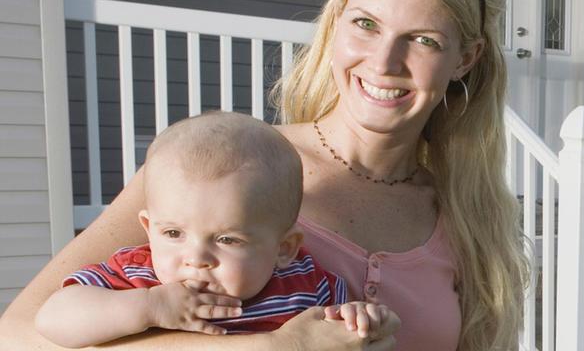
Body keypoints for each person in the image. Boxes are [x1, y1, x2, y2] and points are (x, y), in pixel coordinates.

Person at [0, 0, 526, 349]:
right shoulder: (217, 172)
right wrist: (271, 348)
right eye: (366, 23)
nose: (385, 60)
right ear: (336, 21)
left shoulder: (467, 217)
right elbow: (20, 335)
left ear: (466, 58)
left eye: (424, 40)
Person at [34, 112, 395, 348]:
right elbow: (52, 319)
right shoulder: (137, 277)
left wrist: (361, 319)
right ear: (148, 228)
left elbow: (345, 334)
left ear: (284, 248)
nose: (196, 259)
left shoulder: (308, 286)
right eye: (173, 233)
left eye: (227, 240)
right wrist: (147, 307)